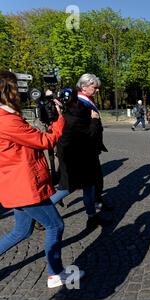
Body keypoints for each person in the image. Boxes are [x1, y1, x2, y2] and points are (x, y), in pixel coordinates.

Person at [0, 71, 84, 288]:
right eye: (16, 88)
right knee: (55, 225)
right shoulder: (6, 120)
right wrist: (59, 120)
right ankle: (55, 274)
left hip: (15, 184)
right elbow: (44, 141)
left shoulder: (6, 118)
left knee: (21, 231)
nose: (20, 92)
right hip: (24, 186)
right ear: (8, 91)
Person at [49, 87, 111, 230]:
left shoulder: (63, 114)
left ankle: (92, 217)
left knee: (89, 188)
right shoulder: (73, 116)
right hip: (77, 159)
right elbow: (90, 135)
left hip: (74, 157)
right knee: (66, 189)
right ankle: (40, 213)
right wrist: (94, 120)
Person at [76, 74, 113, 212]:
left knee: (95, 178)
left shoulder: (87, 100)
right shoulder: (81, 102)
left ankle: (96, 202)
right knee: (80, 184)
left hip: (91, 147)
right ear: (84, 87)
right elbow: (85, 129)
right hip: (86, 148)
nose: (97, 90)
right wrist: (95, 120)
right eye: (95, 87)